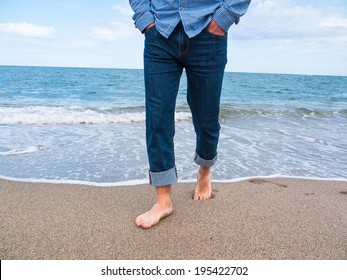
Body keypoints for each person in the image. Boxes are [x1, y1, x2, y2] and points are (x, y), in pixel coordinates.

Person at [129, 0, 251, 229]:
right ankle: (163, 199)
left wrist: (222, 19)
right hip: (160, 33)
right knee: (158, 118)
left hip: (208, 32)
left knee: (206, 115)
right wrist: (146, 20)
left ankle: (205, 170)